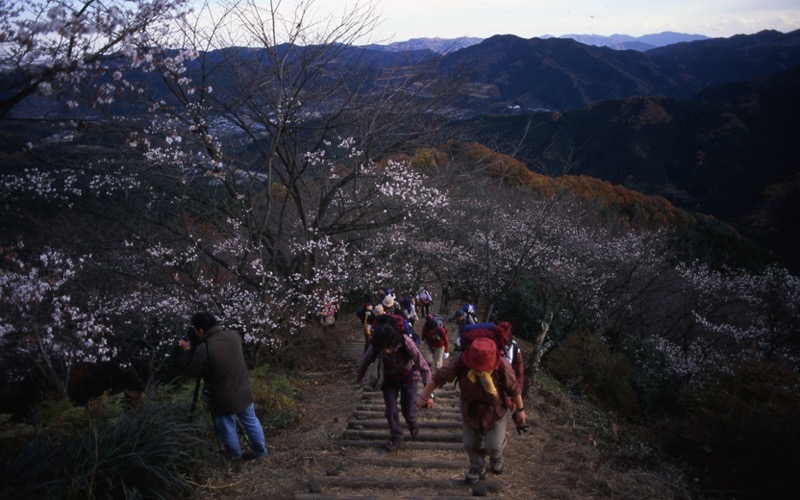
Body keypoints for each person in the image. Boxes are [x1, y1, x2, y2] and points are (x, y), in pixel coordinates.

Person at [416, 337, 526, 484]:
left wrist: (520, 410)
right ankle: (476, 467)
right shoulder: (462, 362)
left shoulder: (502, 366)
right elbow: (439, 377)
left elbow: (514, 389)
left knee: (493, 445)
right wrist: (424, 396)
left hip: (495, 410)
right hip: (470, 409)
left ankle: (496, 456)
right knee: (470, 442)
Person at [180, 312, 268, 461]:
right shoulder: (234, 335)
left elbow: (193, 372)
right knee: (252, 422)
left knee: (228, 428)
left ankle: (235, 459)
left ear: (201, 331)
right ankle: (262, 453)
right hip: (244, 391)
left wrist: (188, 350)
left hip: (223, 398)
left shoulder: (204, 348)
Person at [355, 320, 432, 451]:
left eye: (388, 348)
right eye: (383, 348)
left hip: (409, 377)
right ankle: (396, 435)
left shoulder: (406, 341)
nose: (385, 350)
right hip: (389, 379)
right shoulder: (376, 345)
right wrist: (359, 376)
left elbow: (424, 367)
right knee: (390, 411)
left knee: (408, 410)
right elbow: (366, 360)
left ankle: (413, 424)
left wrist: (428, 395)